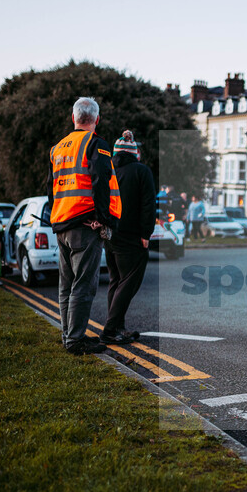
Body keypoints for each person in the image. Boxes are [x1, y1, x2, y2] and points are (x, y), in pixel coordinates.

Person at [47, 97, 122, 355]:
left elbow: (51, 187)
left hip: (63, 222)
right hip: (86, 225)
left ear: (74, 118)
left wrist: (57, 215)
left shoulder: (58, 148)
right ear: (96, 119)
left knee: (66, 285)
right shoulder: (96, 144)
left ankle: (69, 336)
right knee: (83, 285)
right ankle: (76, 341)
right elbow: (101, 180)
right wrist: (102, 218)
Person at [100, 130, 155, 345]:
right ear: (135, 153)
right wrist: (146, 233)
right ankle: (110, 329)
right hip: (132, 236)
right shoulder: (141, 172)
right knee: (129, 282)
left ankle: (118, 326)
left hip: (110, 234)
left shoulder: (108, 170)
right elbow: (148, 205)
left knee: (116, 280)